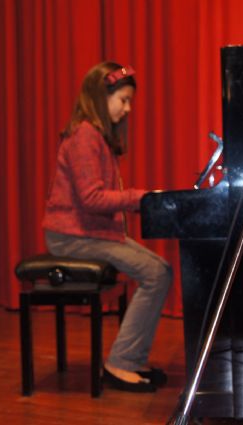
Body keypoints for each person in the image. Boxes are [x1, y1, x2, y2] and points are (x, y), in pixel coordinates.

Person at [42, 61, 173, 393]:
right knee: (156, 274)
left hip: (90, 233)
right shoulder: (84, 134)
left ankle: (131, 358)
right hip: (71, 237)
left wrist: (139, 201)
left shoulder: (96, 136)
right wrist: (140, 199)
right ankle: (120, 363)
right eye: (123, 100)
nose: (127, 109)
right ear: (102, 97)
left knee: (161, 270)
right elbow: (91, 199)